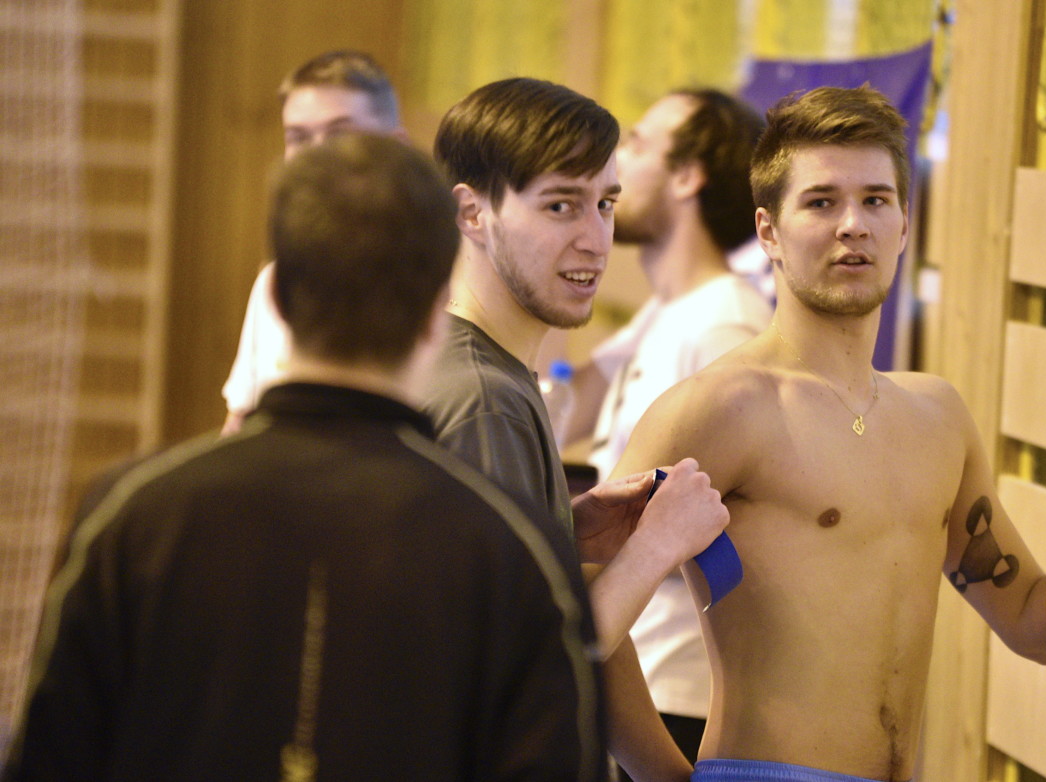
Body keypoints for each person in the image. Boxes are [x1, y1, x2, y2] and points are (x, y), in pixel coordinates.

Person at [3, 135, 606, 782]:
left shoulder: (132, 513)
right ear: (439, 309)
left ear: (279, 303)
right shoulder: (513, 546)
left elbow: (50, 760)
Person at [608, 85, 1046, 782]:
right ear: (768, 231)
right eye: (821, 202)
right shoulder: (719, 407)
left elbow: (1028, 615)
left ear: (903, 226)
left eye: (876, 200)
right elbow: (582, 603)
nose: (853, 225)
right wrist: (664, 773)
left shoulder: (938, 418)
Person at [427, 77, 730, 779]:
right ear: (472, 212)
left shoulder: (493, 376)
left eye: (606, 204)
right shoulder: (483, 395)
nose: (595, 239)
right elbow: (530, 669)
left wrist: (565, 531)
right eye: (560, 205)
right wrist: (655, 547)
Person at [560, 88, 771, 774]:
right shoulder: (667, 312)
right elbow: (567, 405)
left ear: (687, 177)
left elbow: (739, 531)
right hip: (634, 673)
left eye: (638, 144)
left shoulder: (723, 326)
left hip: (676, 693)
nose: (616, 166)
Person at [221, 49, 405, 434]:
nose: (319, 155)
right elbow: (239, 424)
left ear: (396, 146)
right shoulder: (277, 280)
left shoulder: (429, 281)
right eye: (300, 138)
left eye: (341, 134)